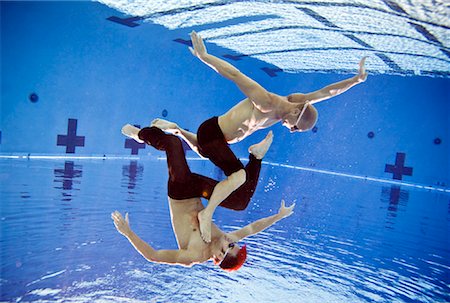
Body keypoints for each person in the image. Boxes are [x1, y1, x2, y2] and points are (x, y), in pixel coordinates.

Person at [113, 125, 294, 271]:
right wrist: (279, 216)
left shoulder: (192, 256)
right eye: (233, 244)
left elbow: (153, 256)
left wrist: (127, 232)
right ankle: (256, 157)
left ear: (216, 258)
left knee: (172, 142)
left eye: (226, 248)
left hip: (180, 192)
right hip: (200, 191)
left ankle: (139, 135)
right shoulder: (225, 238)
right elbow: (253, 228)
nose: (227, 241)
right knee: (241, 202)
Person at [151, 30, 368, 148]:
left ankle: (177, 129)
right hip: (215, 131)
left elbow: (325, 94)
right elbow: (235, 75)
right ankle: (174, 130)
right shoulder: (267, 103)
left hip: (222, 139)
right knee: (237, 178)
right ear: (295, 113)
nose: (290, 130)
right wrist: (205, 57)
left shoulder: (296, 102)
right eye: (295, 128)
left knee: (202, 150)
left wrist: (355, 80)